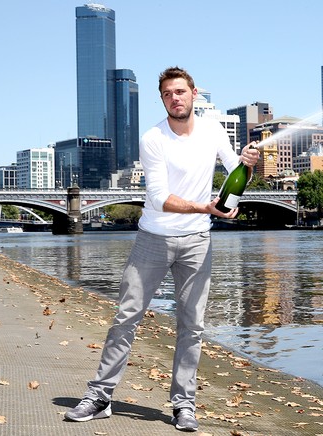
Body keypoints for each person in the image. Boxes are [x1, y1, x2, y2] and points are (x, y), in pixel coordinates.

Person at [65, 66, 260, 432]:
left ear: (194, 93)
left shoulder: (213, 131)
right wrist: (206, 207)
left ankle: (183, 405)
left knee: (192, 326)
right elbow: (157, 197)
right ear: (162, 98)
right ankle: (100, 396)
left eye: (181, 92)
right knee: (127, 316)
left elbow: (239, 175)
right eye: (168, 93)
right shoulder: (153, 138)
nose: (175, 98)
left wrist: (248, 165)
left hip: (197, 242)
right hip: (152, 239)